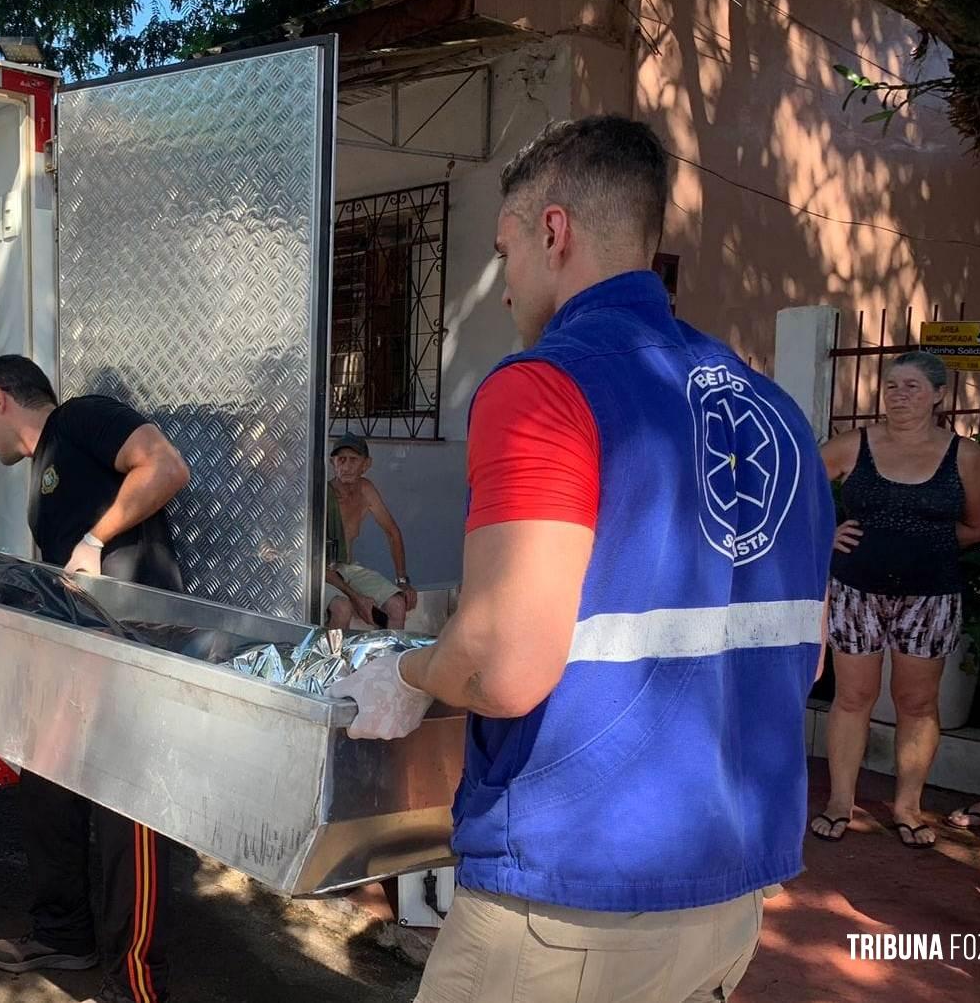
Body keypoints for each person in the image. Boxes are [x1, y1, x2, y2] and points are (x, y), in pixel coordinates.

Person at [329, 116, 834, 1002]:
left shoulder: (541, 388)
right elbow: (806, 654)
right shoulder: (776, 413)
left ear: (553, 232)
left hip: (568, 903)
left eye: (505, 252)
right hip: (728, 897)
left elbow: (503, 668)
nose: (502, 289)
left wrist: (406, 673)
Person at [0, 355, 189, 1003]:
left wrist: (96, 539)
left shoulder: (84, 416)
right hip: (74, 650)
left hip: (132, 644)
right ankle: (65, 934)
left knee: (130, 816)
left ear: (0, 399)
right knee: (46, 783)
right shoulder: (43, 471)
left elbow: (167, 467)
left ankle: (135, 984)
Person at [812, 351, 980, 848]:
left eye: (912, 386)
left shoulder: (965, 456)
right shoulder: (856, 445)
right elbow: (796, 483)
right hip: (857, 590)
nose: (899, 395)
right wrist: (824, 532)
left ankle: (907, 806)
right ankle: (839, 801)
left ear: (939, 394)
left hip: (930, 596)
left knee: (916, 703)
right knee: (852, 698)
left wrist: (926, 541)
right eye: (891, 386)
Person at [323, 432, 418, 630]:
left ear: (366, 465)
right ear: (333, 463)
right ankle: (333, 661)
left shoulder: (366, 490)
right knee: (343, 607)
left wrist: (402, 580)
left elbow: (392, 532)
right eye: (341, 460)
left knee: (398, 605)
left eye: (353, 460)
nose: (346, 466)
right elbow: (317, 563)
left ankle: (390, 660)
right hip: (322, 573)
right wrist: (355, 596)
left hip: (348, 568)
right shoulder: (324, 495)